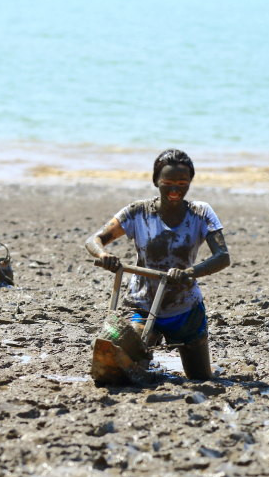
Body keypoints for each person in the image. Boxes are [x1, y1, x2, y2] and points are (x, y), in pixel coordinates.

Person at [86, 149, 230, 381]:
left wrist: (189, 273)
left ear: (190, 182)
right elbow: (95, 240)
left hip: (185, 308)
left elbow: (223, 256)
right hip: (145, 305)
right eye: (168, 182)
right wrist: (104, 255)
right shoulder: (137, 213)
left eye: (182, 183)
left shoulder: (201, 213)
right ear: (156, 181)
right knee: (119, 367)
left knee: (200, 378)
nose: (175, 189)